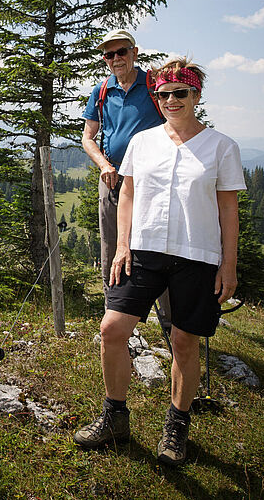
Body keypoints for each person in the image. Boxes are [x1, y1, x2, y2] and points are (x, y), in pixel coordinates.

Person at [73, 57, 245, 467]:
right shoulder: (143, 142)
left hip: (197, 255)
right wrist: (121, 246)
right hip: (143, 250)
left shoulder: (221, 146)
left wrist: (229, 265)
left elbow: (228, 210)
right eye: (164, 94)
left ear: (196, 95)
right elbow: (127, 195)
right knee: (112, 329)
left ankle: (177, 424)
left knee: (184, 341)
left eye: (180, 93)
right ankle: (115, 415)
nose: (170, 100)